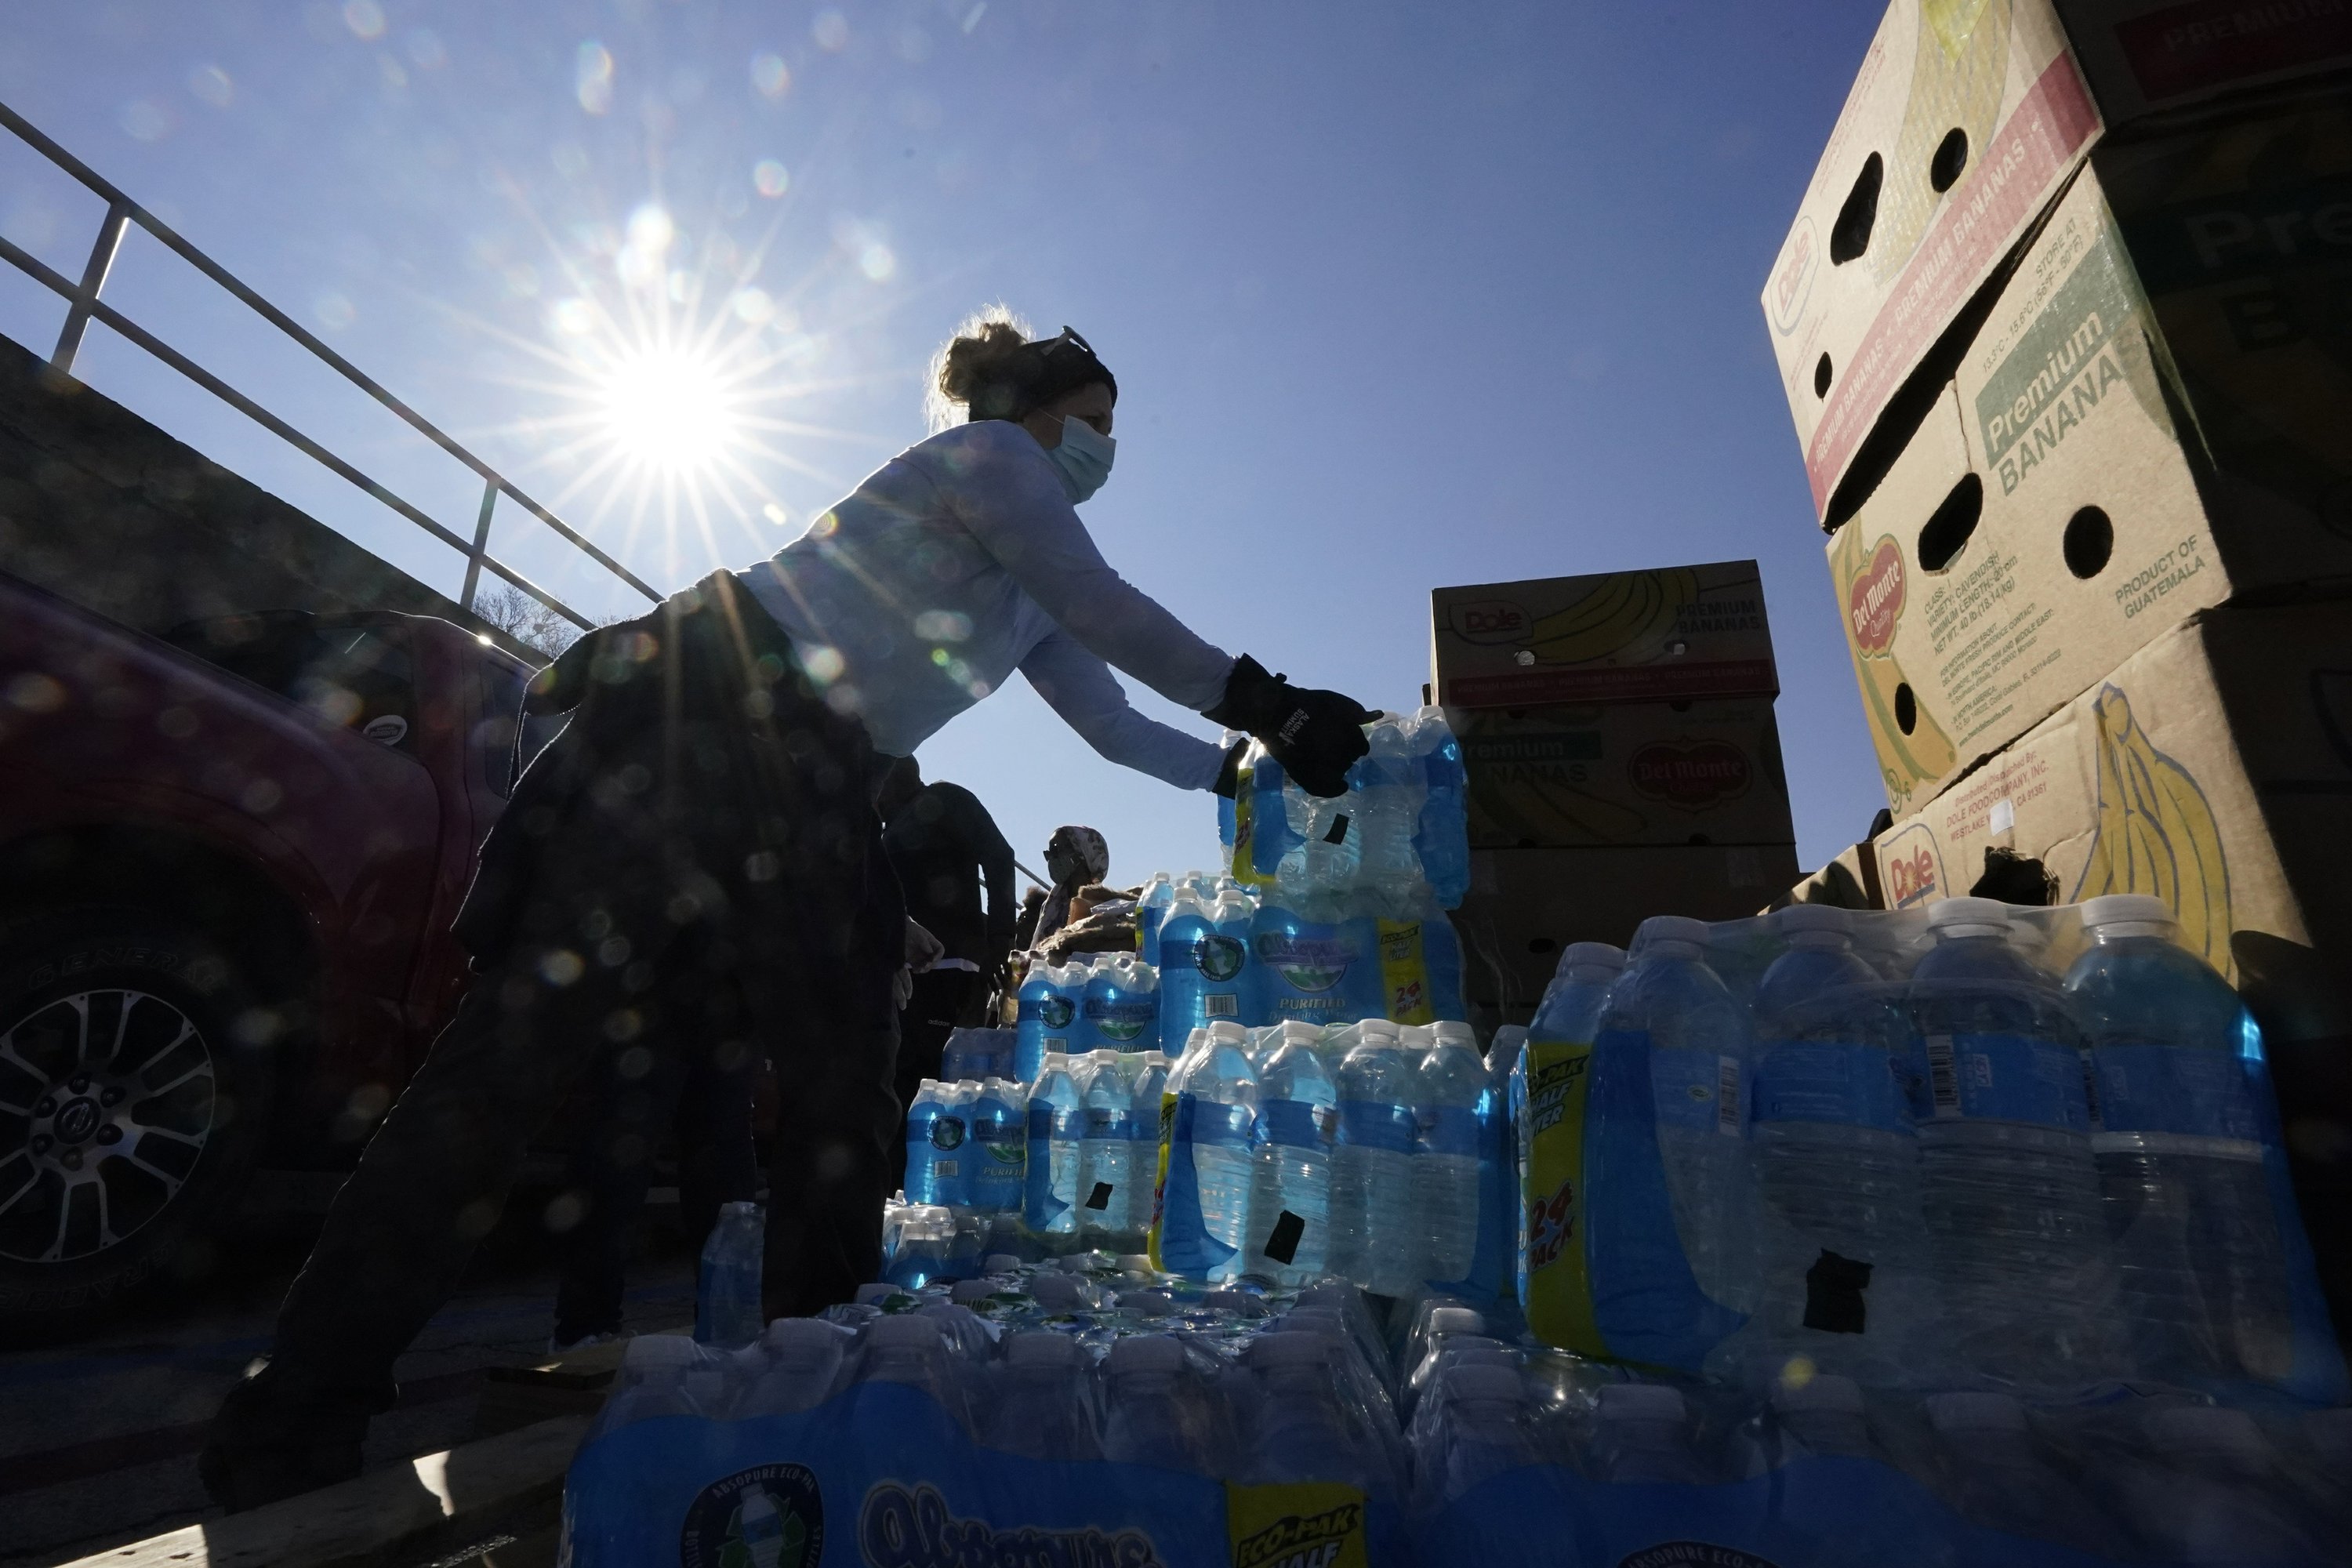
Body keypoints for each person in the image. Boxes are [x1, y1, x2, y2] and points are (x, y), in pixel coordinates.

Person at [201, 309, 1374, 1509]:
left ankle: (817, 1386)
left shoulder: (1028, 589)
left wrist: (1238, 769)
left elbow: (1112, 719)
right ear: (1037, 407)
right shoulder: (991, 463)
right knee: (521, 1064)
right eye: (1098, 423)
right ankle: (301, 1409)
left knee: (835, 1086)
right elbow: (1108, 599)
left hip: (813, 776)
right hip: (703, 722)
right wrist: (1269, 703)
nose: (1105, 449)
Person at [875, 755, 1016, 1184]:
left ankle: (926, 1191)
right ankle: (896, 1195)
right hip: (902, 979)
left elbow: (999, 855)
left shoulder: (945, 798)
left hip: (952, 970)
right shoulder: (883, 833)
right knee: (899, 1086)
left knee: (930, 1085)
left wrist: (1001, 941)